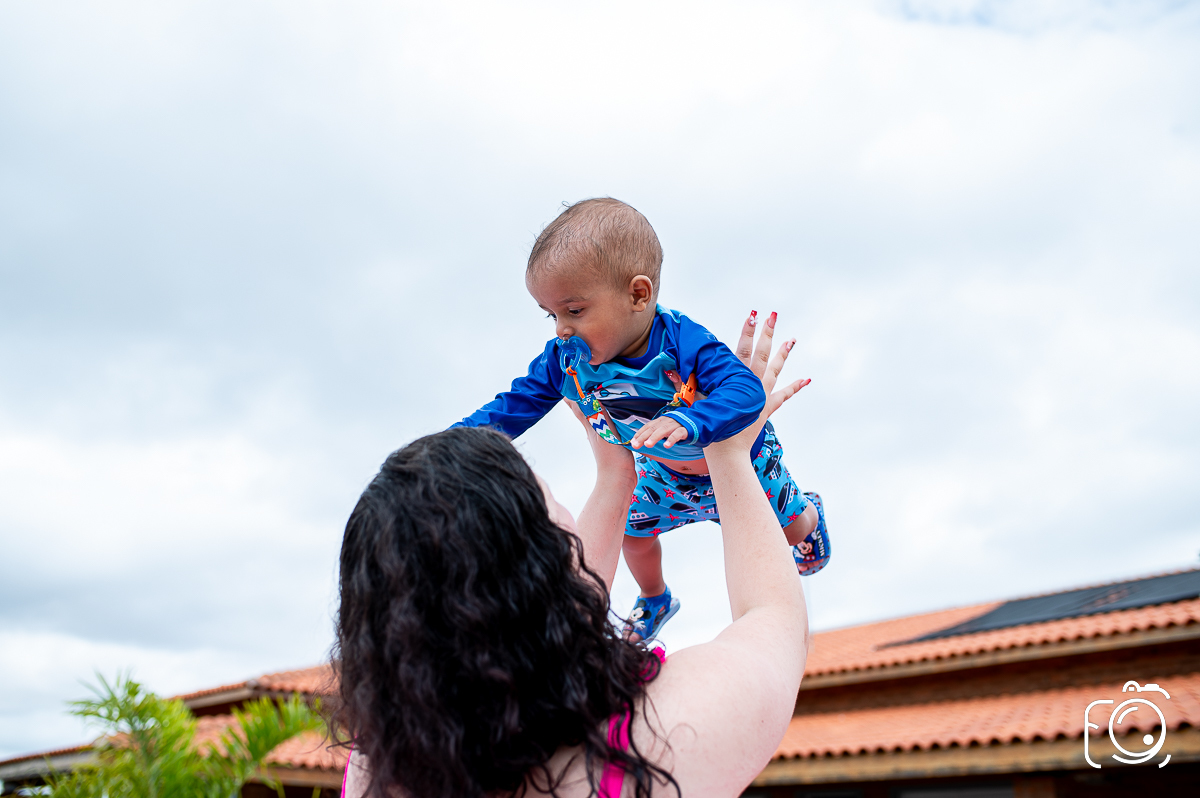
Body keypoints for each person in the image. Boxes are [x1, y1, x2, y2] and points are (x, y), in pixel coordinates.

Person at [336, 317, 811, 798]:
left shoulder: (375, 769)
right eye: (552, 504)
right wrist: (727, 446)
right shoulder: (659, 739)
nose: (569, 520)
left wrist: (616, 474)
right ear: (537, 571)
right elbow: (774, 619)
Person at [451, 198, 829, 641]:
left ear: (638, 295)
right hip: (665, 477)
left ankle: (811, 513)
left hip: (741, 467)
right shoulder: (565, 360)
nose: (560, 330)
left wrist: (693, 421)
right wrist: (451, 444)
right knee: (631, 533)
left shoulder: (680, 339)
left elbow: (746, 390)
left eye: (574, 311)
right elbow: (514, 405)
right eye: (552, 315)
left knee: (791, 532)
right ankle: (655, 596)